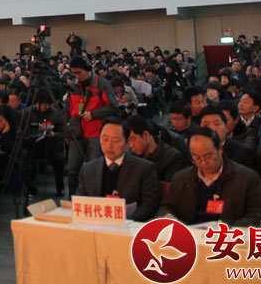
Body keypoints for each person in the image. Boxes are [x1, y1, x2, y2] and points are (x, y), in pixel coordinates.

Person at [157, 127, 261, 226]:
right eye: (196, 157)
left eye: (208, 156)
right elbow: (167, 206)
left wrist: (231, 229)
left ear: (220, 149)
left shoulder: (246, 178)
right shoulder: (181, 178)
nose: (203, 162)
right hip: (191, 237)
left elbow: (260, 213)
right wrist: (167, 216)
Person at [76, 118, 160, 221]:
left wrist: (124, 221)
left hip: (128, 225)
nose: (109, 146)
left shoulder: (144, 168)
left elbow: (149, 205)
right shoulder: (88, 169)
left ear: (127, 142)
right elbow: (81, 202)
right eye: (104, 139)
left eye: (116, 141)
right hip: (95, 224)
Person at [65, 56, 120, 194]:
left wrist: (93, 114)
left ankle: (95, 199)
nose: (77, 76)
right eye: (74, 73)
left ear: (88, 69)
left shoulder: (102, 84)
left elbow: (113, 107)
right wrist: (68, 130)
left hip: (96, 133)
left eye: (79, 73)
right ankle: (72, 200)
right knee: (72, 169)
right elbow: (67, 109)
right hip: (77, 133)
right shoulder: (73, 86)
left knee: (95, 170)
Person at [127, 115, 188, 182]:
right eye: (128, 141)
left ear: (146, 135)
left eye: (133, 140)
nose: (131, 145)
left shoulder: (173, 158)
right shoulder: (131, 156)